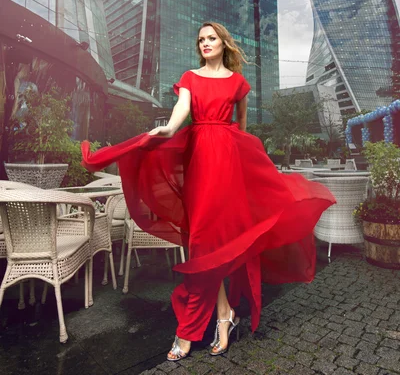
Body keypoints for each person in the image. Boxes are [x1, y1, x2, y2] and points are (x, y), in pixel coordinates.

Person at [81, 21, 335, 361]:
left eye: (211, 38)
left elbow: (241, 130)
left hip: (228, 164)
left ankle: (197, 327)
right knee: (203, 242)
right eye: (201, 39)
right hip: (200, 162)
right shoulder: (190, 77)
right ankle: (223, 314)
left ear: (223, 43)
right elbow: (180, 113)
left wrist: (242, 165)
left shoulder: (237, 83)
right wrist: (168, 128)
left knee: (216, 241)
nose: (205, 43)